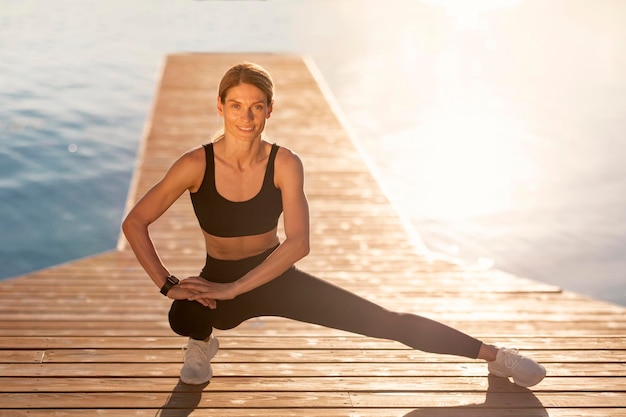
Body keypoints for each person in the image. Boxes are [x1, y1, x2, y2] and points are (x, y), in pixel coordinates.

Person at [122, 62, 546, 388]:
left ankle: (495, 355)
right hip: (218, 279)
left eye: (255, 107)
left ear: (270, 109)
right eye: (235, 106)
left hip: (274, 275)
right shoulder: (195, 164)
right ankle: (200, 343)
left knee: (385, 321)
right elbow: (136, 223)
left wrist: (236, 288)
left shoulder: (284, 163)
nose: (245, 117)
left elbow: (298, 243)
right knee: (182, 313)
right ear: (220, 106)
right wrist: (167, 282)